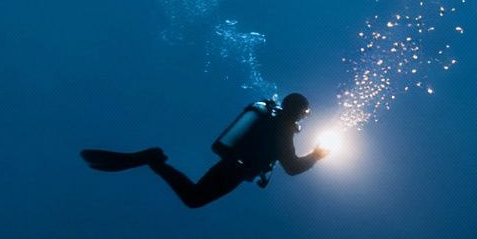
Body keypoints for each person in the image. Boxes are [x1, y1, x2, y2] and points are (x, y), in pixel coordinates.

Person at [81, 92, 327, 209]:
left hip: (231, 164)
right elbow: (292, 167)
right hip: (235, 170)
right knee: (194, 198)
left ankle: (154, 161)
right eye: (304, 113)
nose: (303, 117)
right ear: (298, 111)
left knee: (194, 197)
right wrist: (316, 156)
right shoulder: (283, 130)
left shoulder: (271, 120)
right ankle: (153, 160)